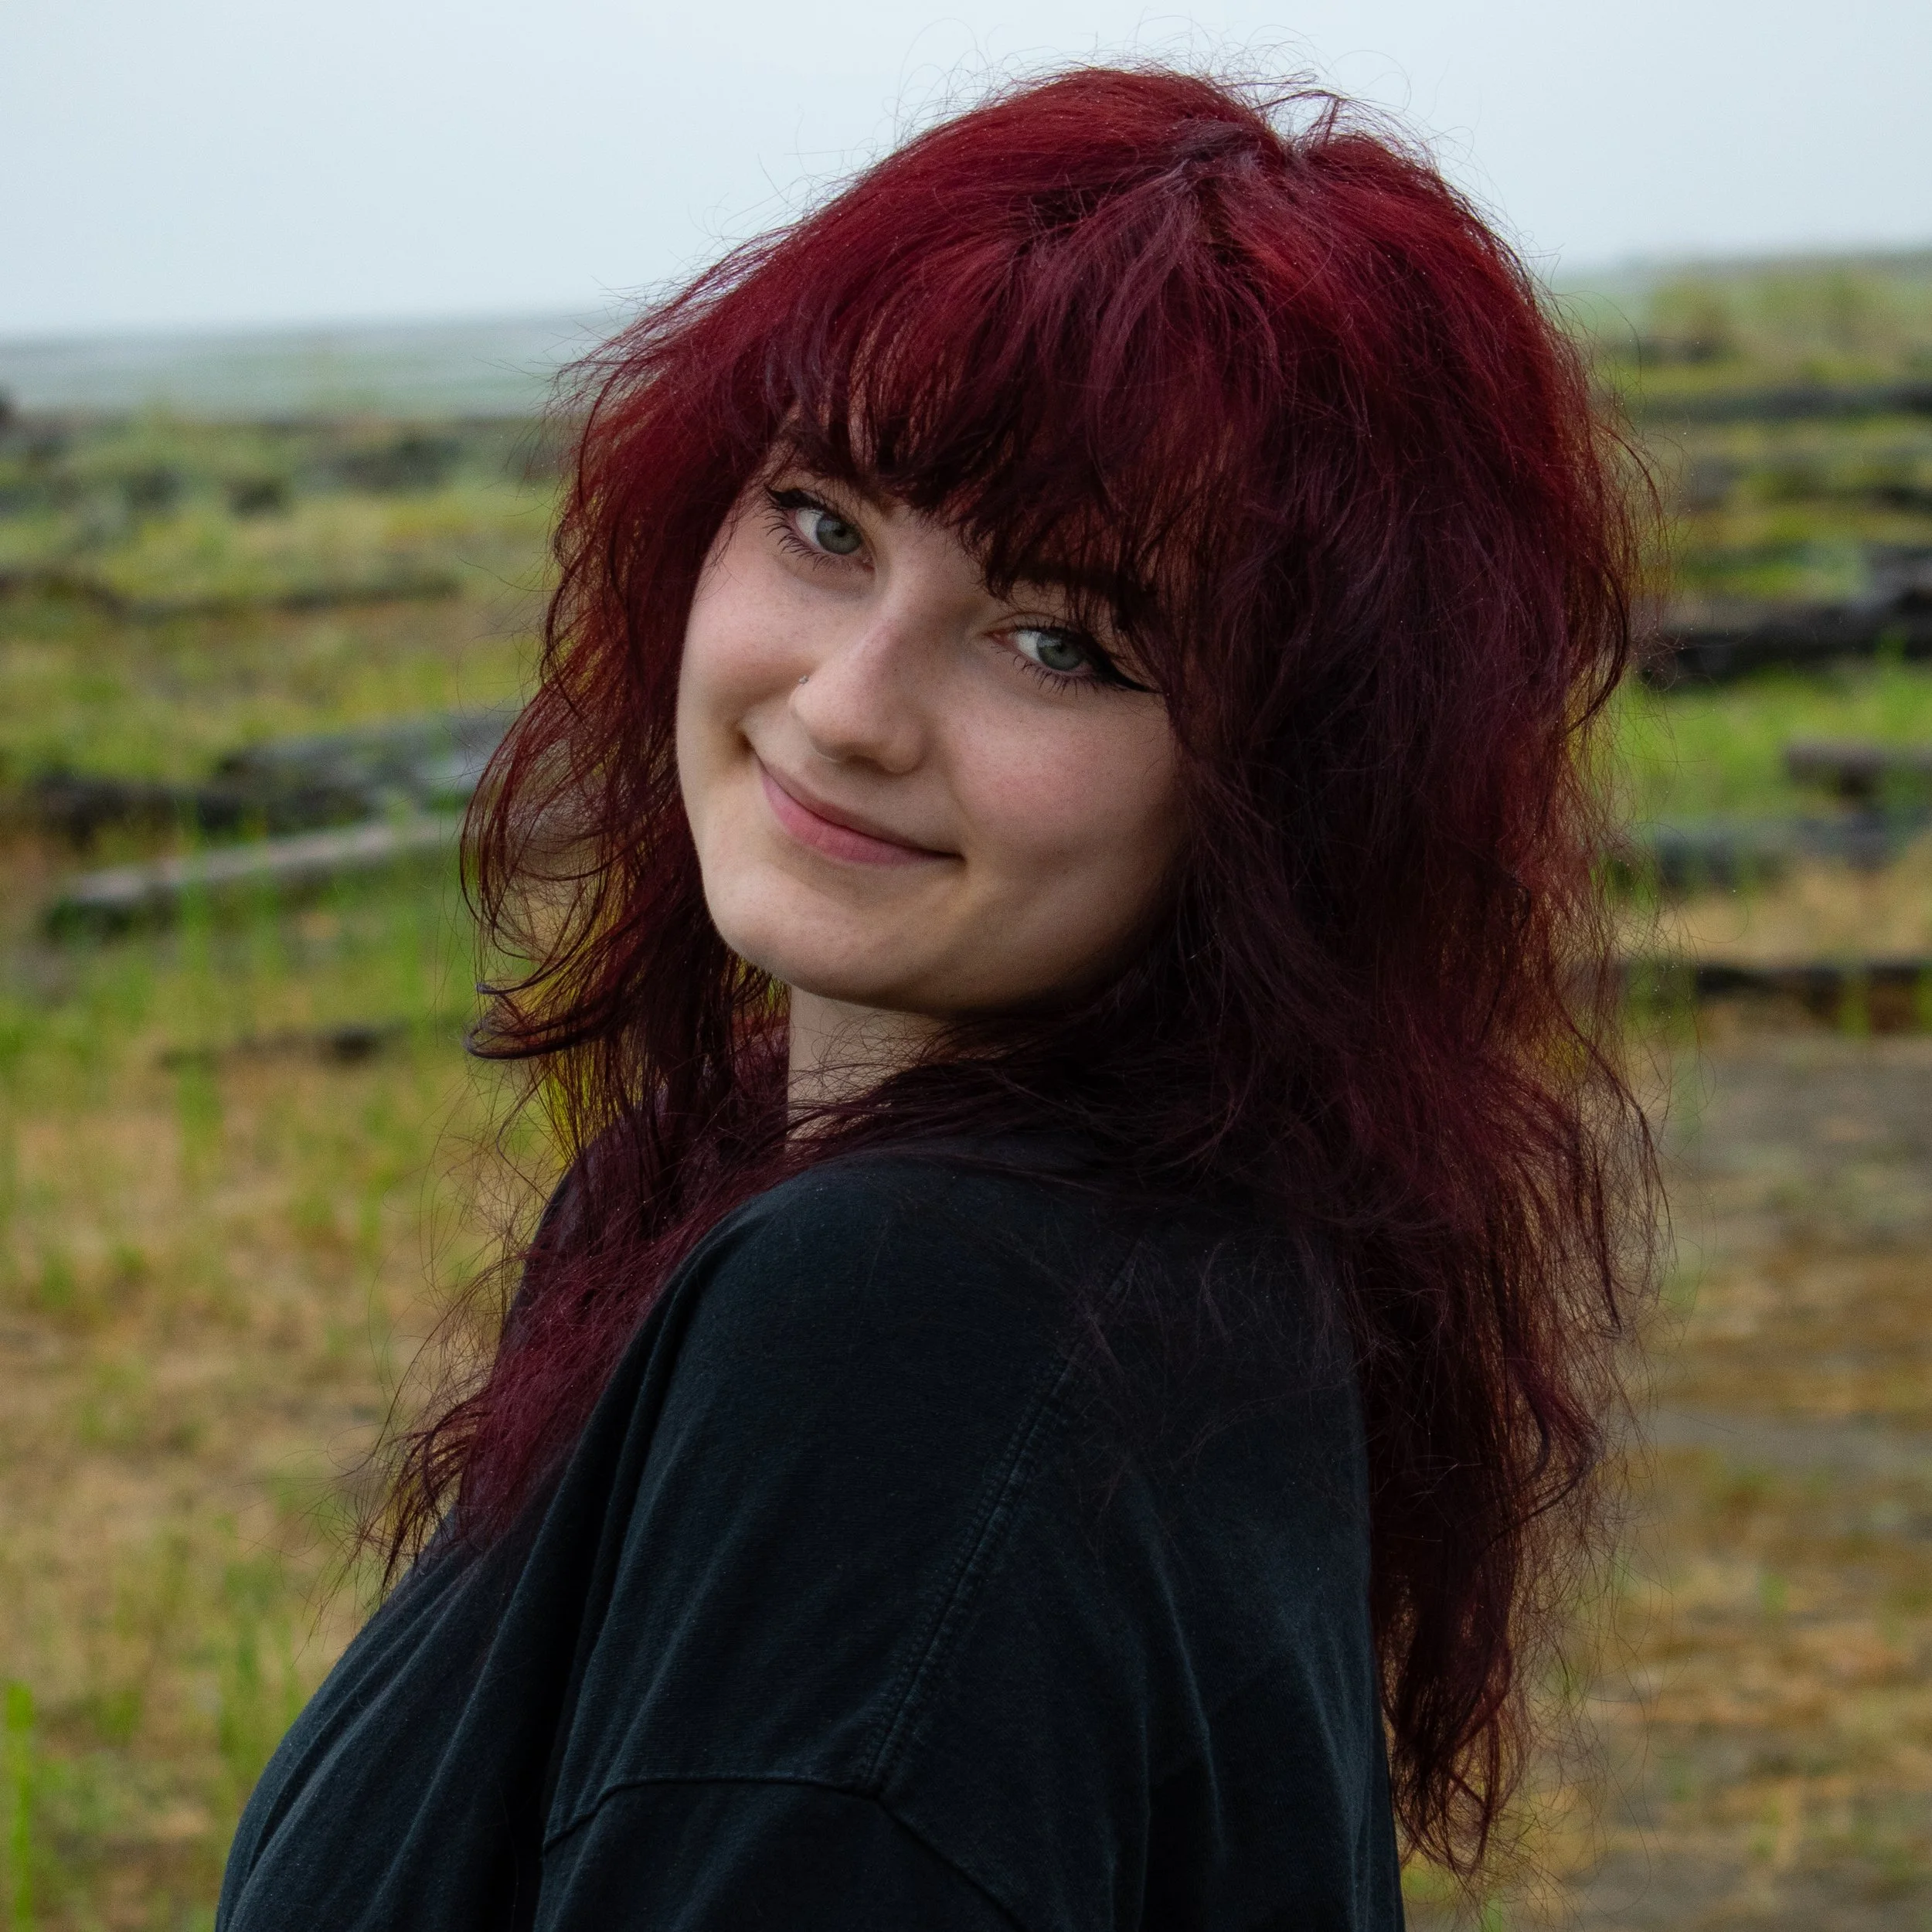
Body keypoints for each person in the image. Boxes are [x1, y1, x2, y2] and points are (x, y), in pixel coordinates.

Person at [217, 63, 1650, 1930]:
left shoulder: (910, 1322)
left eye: (1058, 641)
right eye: (822, 522)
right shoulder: (862, 1203)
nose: (843, 704)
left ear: (1294, 790)